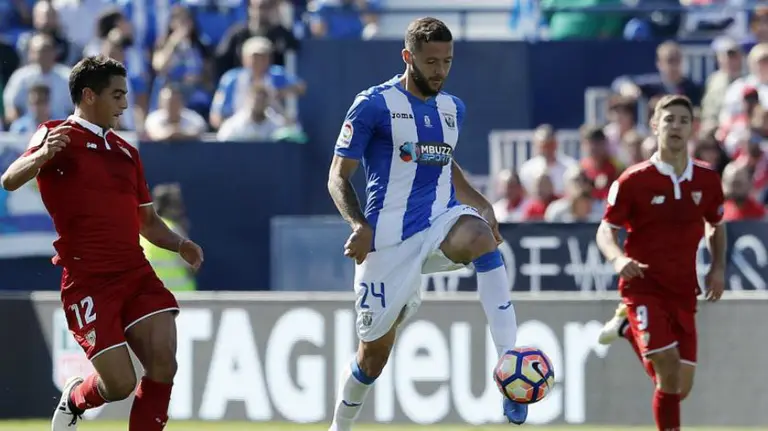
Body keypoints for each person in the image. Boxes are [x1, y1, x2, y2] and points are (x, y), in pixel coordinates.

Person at [326, 17, 525, 430]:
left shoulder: (453, 109)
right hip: (388, 241)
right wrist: (358, 225)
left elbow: (442, 161)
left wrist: (481, 204)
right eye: (431, 61)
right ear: (408, 57)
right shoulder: (373, 105)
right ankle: (339, 426)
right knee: (372, 358)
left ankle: (509, 367)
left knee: (481, 237)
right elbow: (337, 176)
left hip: (440, 220)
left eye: (447, 61)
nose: (440, 70)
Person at [0, 55, 204, 431]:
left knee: (164, 362)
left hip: (135, 272)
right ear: (89, 95)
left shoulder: (127, 153)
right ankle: (77, 398)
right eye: (117, 95)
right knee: (120, 383)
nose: (125, 104)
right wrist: (42, 155)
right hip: (89, 279)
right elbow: (9, 179)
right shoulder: (55, 133)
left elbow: (147, 222)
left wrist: (180, 244)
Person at [594, 94, 726, 431]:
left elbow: (716, 223)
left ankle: (626, 328)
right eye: (669, 119)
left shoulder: (707, 179)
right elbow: (605, 230)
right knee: (667, 368)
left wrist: (718, 267)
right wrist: (617, 258)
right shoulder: (633, 180)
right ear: (655, 125)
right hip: (643, 287)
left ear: (692, 128)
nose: (676, 126)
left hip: (683, 290)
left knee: (679, 387)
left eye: (683, 120)